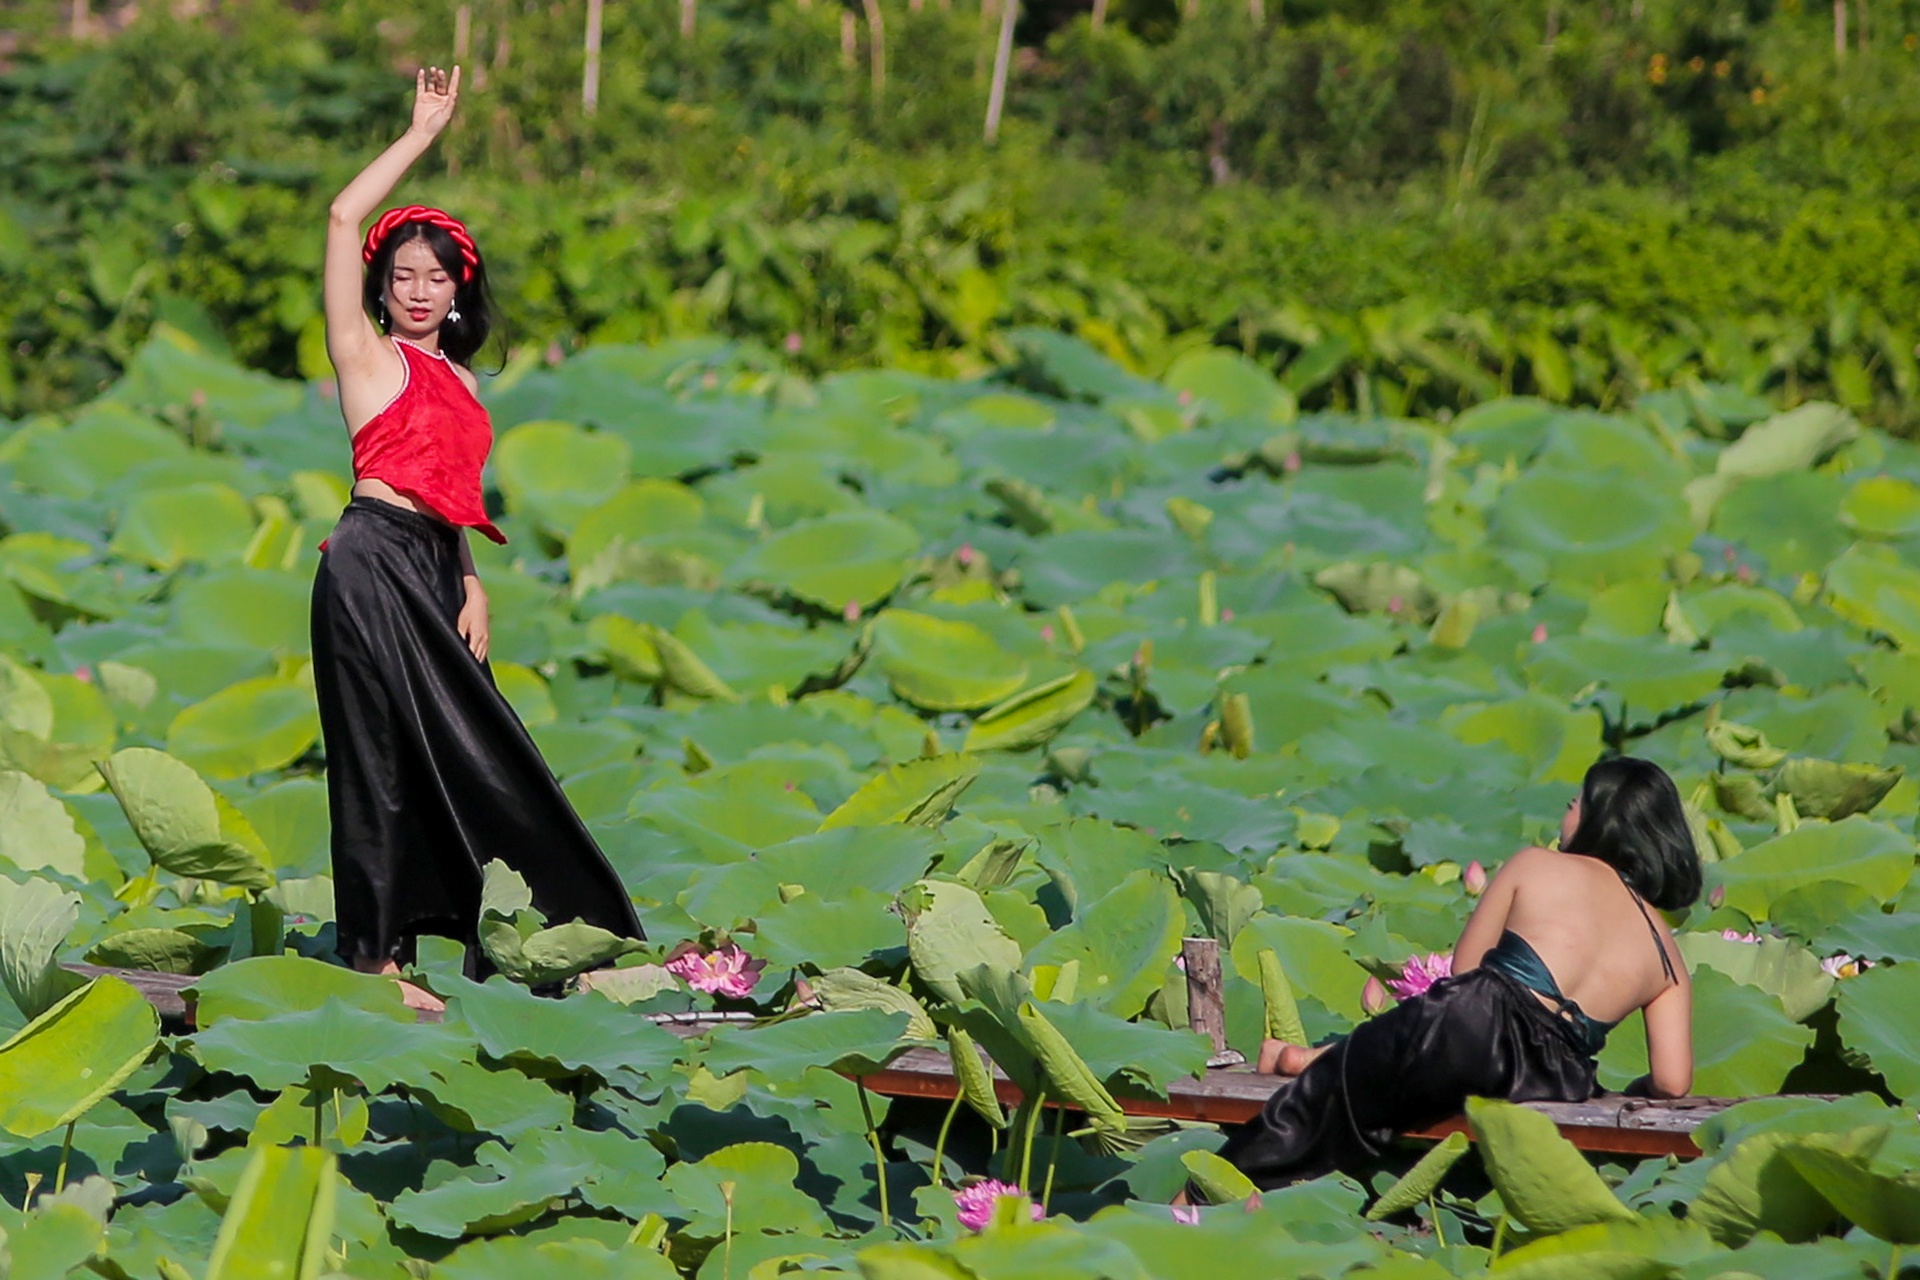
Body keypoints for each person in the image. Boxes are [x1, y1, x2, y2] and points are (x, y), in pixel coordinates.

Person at [311, 65, 641, 1011]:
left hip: (431, 565)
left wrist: (472, 580)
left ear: (459, 290)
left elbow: (451, 495)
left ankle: (552, 933)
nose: (418, 290)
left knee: (479, 745)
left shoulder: (459, 380)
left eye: (436, 277)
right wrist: (420, 133)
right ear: (380, 288)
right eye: (402, 275)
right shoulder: (364, 353)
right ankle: (374, 960)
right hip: (370, 563)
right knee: (378, 754)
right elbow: (341, 218)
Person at [1195, 756, 1700, 1193]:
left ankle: (1198, 1199)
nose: (1566, 813)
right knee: (1384, 1069)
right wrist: (1632, 1086)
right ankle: (1303, 1058)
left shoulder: (1536, 864)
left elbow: (1465, 969)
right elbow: (1674, 1082)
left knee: (1330, 1093)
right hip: (1556, 1076)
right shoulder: (1666, 951)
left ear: (1600, 818)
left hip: (1472, 1029)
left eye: (1574, 803)